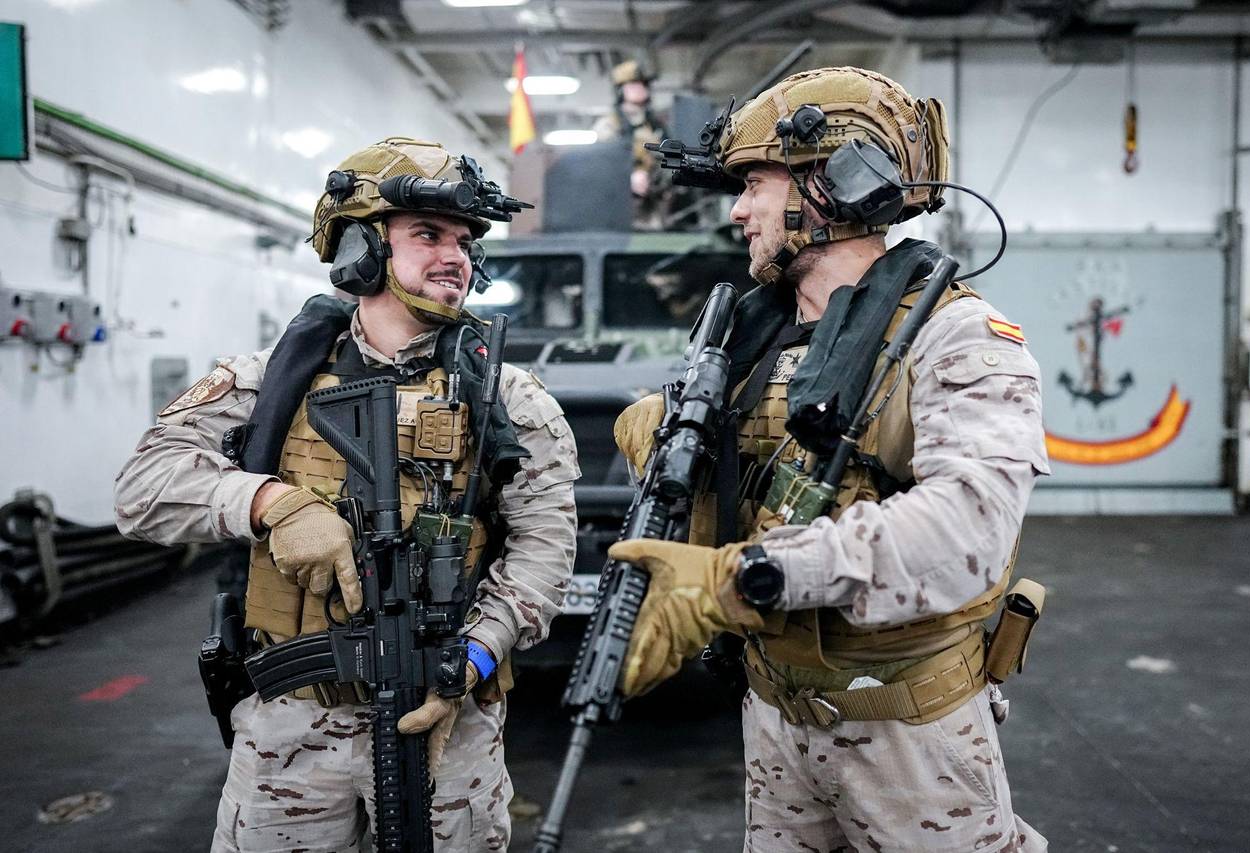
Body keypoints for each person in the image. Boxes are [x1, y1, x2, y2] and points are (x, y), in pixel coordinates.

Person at [610, 67, 1050, 851]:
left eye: (754, 185)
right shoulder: (751, 340)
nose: (739, 210)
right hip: (775, 723)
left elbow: (968, 531)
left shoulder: (955, 336)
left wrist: (745, 576)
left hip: (911, 740)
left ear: (834, 184)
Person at [114, 138, 579, 851]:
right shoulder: (269, 382)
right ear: (361, 247)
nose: (456, 257)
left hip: (447, 723)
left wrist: (474, 659)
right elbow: (142, 490)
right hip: (290, 728)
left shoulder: (510, 400)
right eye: (428, 234)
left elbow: (544, 553)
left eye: (464, 241)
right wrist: (273, 503)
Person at [593, 60, 669, 229]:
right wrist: (627, 177)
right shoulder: (609, 125)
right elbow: (600, 166)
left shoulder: (655, 126)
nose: (641, 88)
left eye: (644, 84)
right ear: (620, 90)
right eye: (634, 84)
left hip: (653, 209)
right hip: (617, 210)